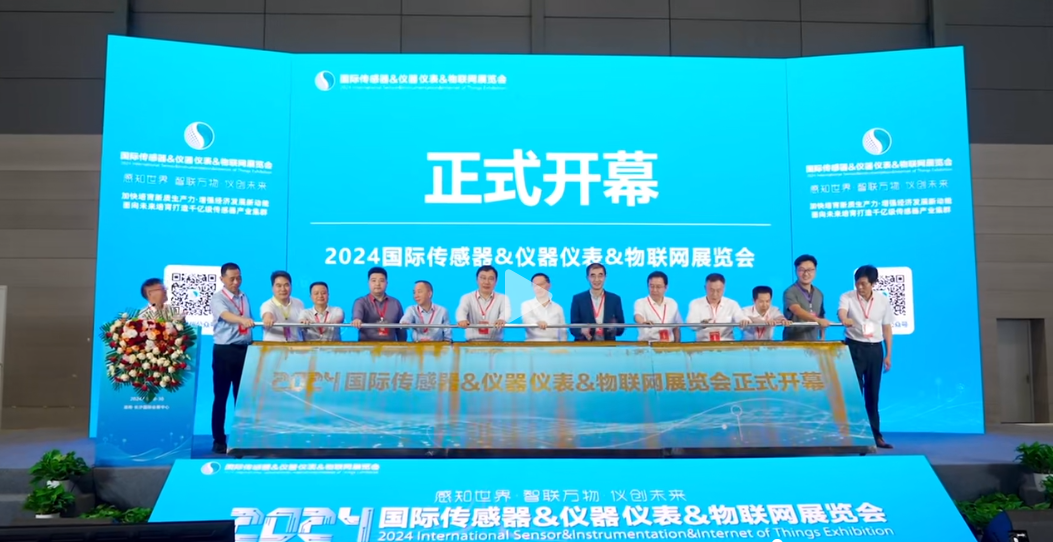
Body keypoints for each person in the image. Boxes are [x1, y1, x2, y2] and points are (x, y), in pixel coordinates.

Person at [838, 265, 894, 449]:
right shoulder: (847, 297)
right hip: (854, 347)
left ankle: (876, 435)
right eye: (857, 283)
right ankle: (853, 436)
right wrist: (844, 319)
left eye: (863, 284)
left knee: (873, 394)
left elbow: (887, 328)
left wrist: (888, 354)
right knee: (854, 393)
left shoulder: (882, 301)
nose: (859, 287)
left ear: (873, 283)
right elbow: (842, 311)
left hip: (875, 350)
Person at [208, 262, 254, 454]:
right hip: (225, 351)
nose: (236, 282)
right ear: (222, 279)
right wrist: (242, 320)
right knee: (221, 397)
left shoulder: (244, 296)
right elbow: (226, 315)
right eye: (232, 279)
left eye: (239, 278)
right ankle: (219, 440)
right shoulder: (217, 298)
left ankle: (240, 439)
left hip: (245, 350)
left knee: (242, 398)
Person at [569, 263, 625, 342]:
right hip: (584, 345)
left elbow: (621, 327)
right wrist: (581, 330)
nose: (596, 279)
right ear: (587, 278)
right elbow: (573, 327)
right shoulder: (578, 299)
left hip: (608, 345)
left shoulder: (615, 299)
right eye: (593, 276)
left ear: (605, 277)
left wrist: (614, 328)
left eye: (600, 275)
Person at [782, 254, 832, 341]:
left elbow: (822, 316)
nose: (806, 274)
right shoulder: (790, 292)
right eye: (802, 270)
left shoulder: (819, 293)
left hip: (814, 341)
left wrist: (823, 337)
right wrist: (817, 320)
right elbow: (796, 310)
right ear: (796, 271)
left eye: (810, 270)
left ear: (815, 271)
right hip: (793, 341)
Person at [456, 265, 511, 341]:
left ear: (496, 281)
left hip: (496, 344)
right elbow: (462, 310)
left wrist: (502, 319)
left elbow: (506, 311)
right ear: (477, 280)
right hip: (471, 344)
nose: (486, 282)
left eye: (491, 279)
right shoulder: (467, 297)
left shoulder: (503, 298)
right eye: (483, 278)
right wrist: (462, 320)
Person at [351, 267, 406, 342]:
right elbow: (357, 315)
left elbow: (401, 330)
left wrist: (403, 346)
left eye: (381, 281)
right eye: (373, 280)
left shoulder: (395, 303)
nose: (377, 284)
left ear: (387, 283)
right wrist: (357, 319)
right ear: (368, 283)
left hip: (390, 347)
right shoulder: (361, 302)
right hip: (366, 346)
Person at [686, 273, 743, 342]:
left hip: (726, 344)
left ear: (724, 288)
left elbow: (740, 318)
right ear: (705, 288)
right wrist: (701, 324)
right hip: (703, 344)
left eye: (719, 290)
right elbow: (691, 324)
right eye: (711, 290)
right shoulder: (695, 303)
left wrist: (743, 321)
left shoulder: (732, 304)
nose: (715, 294)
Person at [634, 271, 682, 342]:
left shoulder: (672, 303)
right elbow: (637, 316)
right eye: (651, 286)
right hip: (647, 345)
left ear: (666, 287)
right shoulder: (640, 302)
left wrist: (677, 345)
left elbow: (676, 327)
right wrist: (643, 322)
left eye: (658, 287)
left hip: (669, 344)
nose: (654, 290)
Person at [521, 273, 567, 342]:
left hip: (554, 345)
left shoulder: (558, 307)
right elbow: (527, 319)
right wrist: (537, 323)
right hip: (532, 344)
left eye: (541, 284)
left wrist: (564, 345)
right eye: (535, 285)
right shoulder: (526, 304)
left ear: (549, 285)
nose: (538, 288)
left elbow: (563, 330)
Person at [260, 271, 304, 342]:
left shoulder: (299, 303)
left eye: (286, 285)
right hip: (274, 346)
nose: (283, 289)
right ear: (272, 288)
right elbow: (267, 314)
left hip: (296, 345)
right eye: (279, 286)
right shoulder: (267, 304)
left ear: (291, 286)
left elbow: (303, 321)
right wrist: (268, 319)